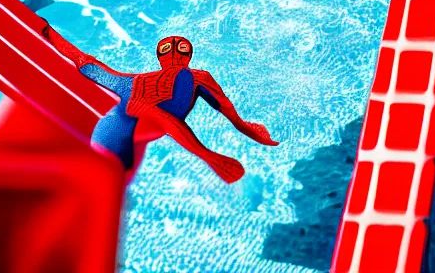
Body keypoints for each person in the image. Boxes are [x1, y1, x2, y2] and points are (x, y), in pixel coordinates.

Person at [42, 24, 278, 183]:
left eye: (179, 47)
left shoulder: (137, 81)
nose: (175, 51)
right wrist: (236, 135)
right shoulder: (181, 78)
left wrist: (50, 33)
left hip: (117, 128)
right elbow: (223, 111)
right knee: (105, 173)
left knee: (115, 88)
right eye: (172, 48)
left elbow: (83, 60)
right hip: (118, 130)